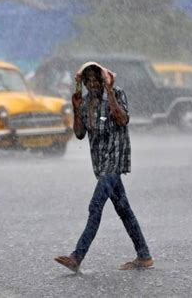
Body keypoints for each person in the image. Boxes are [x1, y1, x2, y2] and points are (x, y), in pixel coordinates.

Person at [54, 62, 153, 273]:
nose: (92, 85)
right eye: (87, 81)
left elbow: (123, 119)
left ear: (103, 79)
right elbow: (80, 133)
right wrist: (76, 108)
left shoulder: (117, 94)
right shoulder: (86, 102)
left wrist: (109, 90)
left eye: (96, 80)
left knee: (95, 205)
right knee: (123, 209)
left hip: (115, 160)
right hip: (100, 163)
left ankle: (77, 256)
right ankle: (144, 255)